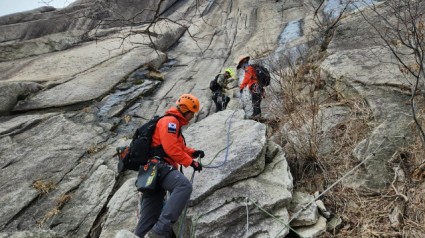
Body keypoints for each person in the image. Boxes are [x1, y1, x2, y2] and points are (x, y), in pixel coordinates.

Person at [135, 94, 205, 238]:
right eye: (192, 113)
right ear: (185, 109)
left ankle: (139, 235)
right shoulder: (170, 122)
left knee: (149, 215)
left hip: (151, 173)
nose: (192, 116)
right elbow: (171, 149)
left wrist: (193, 153)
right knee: (183, 186)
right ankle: (161, 230)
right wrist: (191, 162)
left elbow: (177, 146)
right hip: (160, 168)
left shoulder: (171, 123)